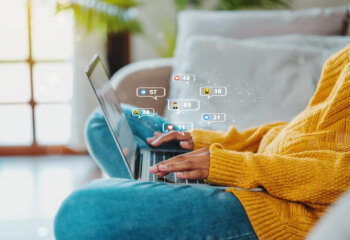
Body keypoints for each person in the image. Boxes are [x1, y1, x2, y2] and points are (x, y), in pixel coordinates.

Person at [54, 45, 350, 240]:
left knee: (81, 211)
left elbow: (341, 180)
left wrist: (227, 165)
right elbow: (303, 130)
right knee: (101, 122)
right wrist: (206, 141)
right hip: (266, 167)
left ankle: (153, 195)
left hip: (285, 207)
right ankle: (155, 193)